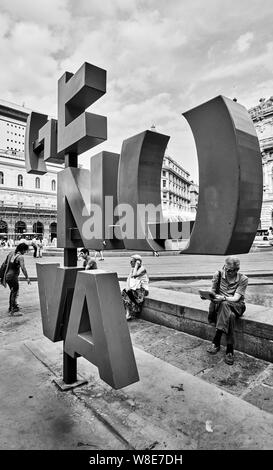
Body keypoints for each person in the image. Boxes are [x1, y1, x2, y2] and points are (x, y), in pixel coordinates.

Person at [204, 256, 248, 365]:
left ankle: (216, 340)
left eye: (230, 270)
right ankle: (229, 349)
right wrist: (208, 295)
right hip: (221, 306)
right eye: (225, 268)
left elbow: (236, 298)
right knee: (230, 316)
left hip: (237, 306)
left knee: (225, 304)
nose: (227, 271)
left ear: (237, 270)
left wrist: (223, 298)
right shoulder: (218, 274)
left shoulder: (243, 279)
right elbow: (213, 291)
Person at [1, 242, 31, 316]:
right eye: (25, 250)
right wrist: (27, 277)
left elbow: (4, 264)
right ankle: (12, 309)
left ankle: (12, 306)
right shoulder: (20, 257)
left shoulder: (11, 253)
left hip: (7, 276)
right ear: (22, 250)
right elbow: (23, 268)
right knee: (14, 291)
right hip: (13, 277)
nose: (25, 252)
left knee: (13, 291)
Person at [121, 254, 149, 321]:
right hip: (135, 288)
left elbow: (134, 275)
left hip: (143, 290)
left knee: (128, 293)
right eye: (130, 261)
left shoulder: (142, 268)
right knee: (124, 291)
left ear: (137, 262)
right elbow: (128, 278)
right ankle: (128, 313)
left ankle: (135, 307)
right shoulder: (133, 269)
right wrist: (127, 286)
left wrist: (136, 265)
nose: (130, 263)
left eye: (132, 261)